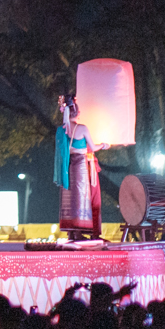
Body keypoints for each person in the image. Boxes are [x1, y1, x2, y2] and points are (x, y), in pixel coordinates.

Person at [55, 95, 104, 237]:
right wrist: (103, 145)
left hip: (67, 166)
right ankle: (78, 231)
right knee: (80, 197)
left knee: (69, 197)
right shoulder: (82, 128)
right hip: (80, 166)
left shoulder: (62, 130)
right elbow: (93, 147)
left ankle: (71, 232)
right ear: (77, 113)